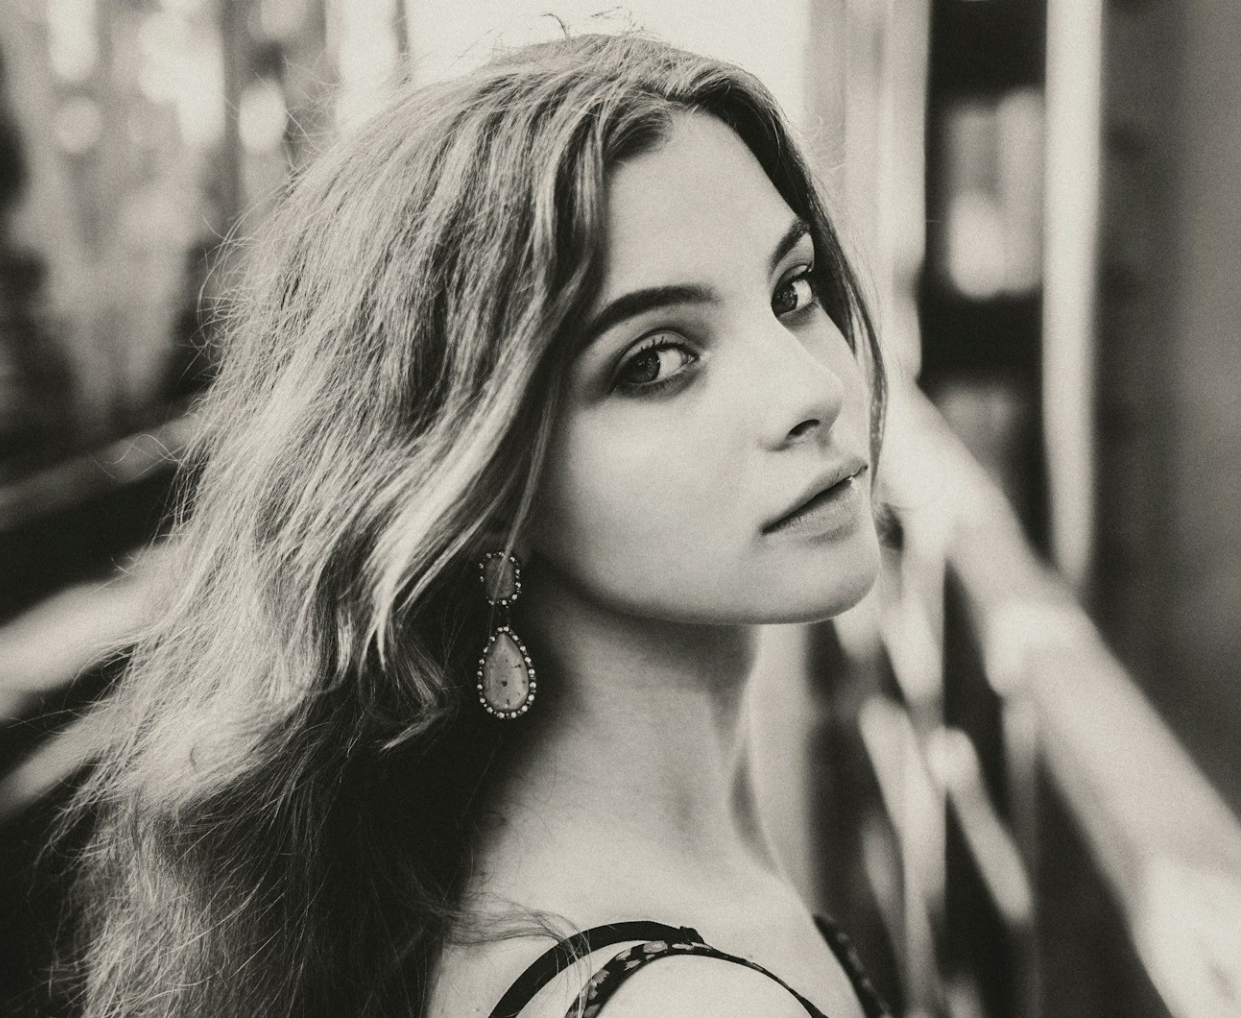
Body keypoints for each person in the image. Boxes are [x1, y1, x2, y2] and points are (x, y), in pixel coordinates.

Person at [62, 32, 893, 1018]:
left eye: (792, 292)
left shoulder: (480, 891)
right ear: (483, 484)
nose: (810, 388)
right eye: (657, 362)